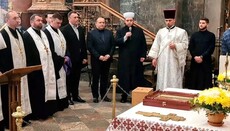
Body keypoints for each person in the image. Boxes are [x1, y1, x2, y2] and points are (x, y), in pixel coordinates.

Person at [0, 11, 31, 129]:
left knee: (19, 95)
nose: (18, 20)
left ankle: (20, 118)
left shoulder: (18, 32)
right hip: (8, 72)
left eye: (18, 17)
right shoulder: (3, 34)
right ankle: (9, 120)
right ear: (7, 20)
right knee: (8, 97)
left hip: (19, 71)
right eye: (15, 18)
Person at [23, 14, 56, 119]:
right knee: (37, 91)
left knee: (44, 89)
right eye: (38, 20)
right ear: (31, 22)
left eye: (41, 20)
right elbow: (28, 54)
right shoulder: (27, 35)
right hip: (35, 69)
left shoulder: (43, 33)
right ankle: (37, 113)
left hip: (46, 68)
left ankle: (46, 110)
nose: (41, 22)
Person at [148, 9, 189, 91]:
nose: (168, 22)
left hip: (174, 60)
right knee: (162, 77)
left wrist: (176, 46)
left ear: (174, 20)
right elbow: (156, 45)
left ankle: (174, 94)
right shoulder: (161, 32)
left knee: (174, 77)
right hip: (163, 60)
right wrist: (154, 58)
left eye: (170, 20)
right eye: (166, 20)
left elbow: (185, 45)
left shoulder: (181, 32)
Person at [115, 12, 147, 103]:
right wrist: (125, 37)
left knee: (136, 77)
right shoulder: (120, 31)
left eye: (131, 20)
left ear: (133, 21)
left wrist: (143, 55)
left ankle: (135, 96)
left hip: (136, 59)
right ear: (124, 21)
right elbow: (117, 42)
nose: (129, 22)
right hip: (125, 59)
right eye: (127, 20)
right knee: (125, 77)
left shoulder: (139, 31)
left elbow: (143, 44)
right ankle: (124, 95)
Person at [61, 11, 88, 104]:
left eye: (78, 17)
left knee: (77, 78)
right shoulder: (64, 29)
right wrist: (66, 57)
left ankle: (76, 95)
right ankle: (68, 97)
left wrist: (84, 56)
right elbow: (64, 45)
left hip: (79, 58)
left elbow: (82, 44)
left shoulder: (80, 29)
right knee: (69, 79)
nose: (77, 19)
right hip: (70, 59)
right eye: (75, 17)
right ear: (69, 19)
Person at [43, 13, 69, 111]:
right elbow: (49, 49)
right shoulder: (47, 32)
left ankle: (63, 102)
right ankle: (57, 104)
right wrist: (61, 59)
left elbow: (64, 45)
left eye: (60, 23)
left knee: (62, 82)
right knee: (56, 83)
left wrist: (65, 56)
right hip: (55, 62)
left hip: (62, 60)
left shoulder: (59, 31)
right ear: (52, 21)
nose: (59, 25)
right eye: (58, 23)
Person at [87, 17, 115, 103]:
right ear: (96, 23)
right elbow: (90, 47)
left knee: (105, 78)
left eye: (103, 22)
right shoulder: (91, 33)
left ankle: (104, 95)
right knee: (95, 78)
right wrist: (98, 56)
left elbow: (113, 46)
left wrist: (109, 55)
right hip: (96, 60)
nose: (102, 24)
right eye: (100, 22)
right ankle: (95, 96)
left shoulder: (109, 33)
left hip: (107, 59)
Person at [188, 18, 215, 90]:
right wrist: (195, 57)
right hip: (195, 62)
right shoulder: (194, 35)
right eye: (200, 23)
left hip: (205, 61)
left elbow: (211, 48)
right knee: (194, 81)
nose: (201, 24)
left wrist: (202, 57)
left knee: (205, 83)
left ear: (207, 24)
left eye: (203, 23)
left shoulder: (211, 35)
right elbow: (191, 47)